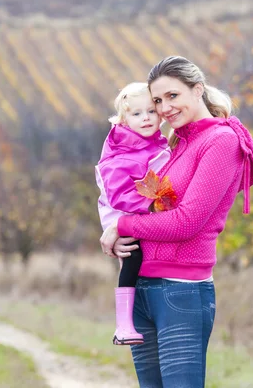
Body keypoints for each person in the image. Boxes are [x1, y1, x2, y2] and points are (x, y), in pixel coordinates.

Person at [99, 56, 253, 388]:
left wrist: (122, 227)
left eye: (173, 96)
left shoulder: (220, 142)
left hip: (180, 291)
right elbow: (146, 204)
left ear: (197, 90)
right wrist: (114, 229)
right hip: (142, 287)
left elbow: (187, 222)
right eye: (158, 100)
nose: (164, 108)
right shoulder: (176, 143)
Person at [95, 82, 171, 346]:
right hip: (119, 211)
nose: (146, 118)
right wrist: (150, 204)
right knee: (132, 254)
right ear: (124, 120)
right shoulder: (121, 149)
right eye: (137, 114)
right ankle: (123, 325)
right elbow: (118, 193)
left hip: (139, 209)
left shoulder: (156, 143)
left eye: (151, 111)